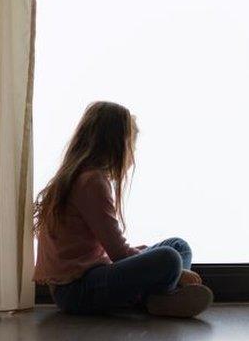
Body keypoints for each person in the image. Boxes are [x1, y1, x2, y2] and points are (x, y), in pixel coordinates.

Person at [32, 101, 213, 317]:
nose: (132, 153)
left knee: (178, 246)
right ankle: (157, 297)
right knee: (170, 258)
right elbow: (118, 253)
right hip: (77, 291)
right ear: (116, 144)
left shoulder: (76, 177)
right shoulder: (91, 182)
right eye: (131, 145)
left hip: (81, 282)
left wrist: (145, 256)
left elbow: (109, 253)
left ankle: (157, 298)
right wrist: (177, 271)